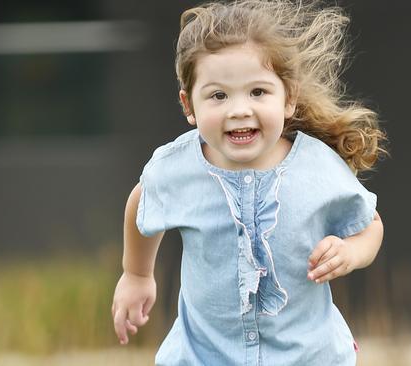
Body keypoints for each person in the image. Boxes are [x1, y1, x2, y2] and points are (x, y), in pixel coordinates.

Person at [112, 0, 387, 364]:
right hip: (207, 355)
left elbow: (370, 226)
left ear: (288, 97)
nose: (239, 109)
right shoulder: (176, 170)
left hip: (306, 356)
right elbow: (142, 203)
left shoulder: (317, 166)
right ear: (188, 106)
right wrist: (136, 274)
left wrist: (351, 252)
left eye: (258, 92)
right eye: (218, 96)